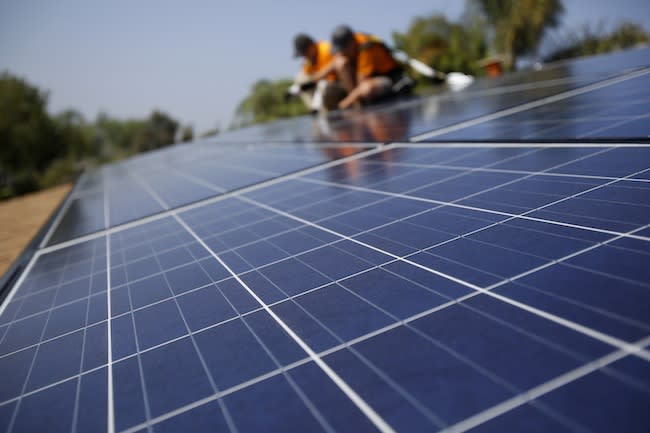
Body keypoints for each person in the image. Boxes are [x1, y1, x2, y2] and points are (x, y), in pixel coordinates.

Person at [325, 25, 413, 110]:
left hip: (388, 80)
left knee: (366, 88)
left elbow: (362, 83)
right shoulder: (354, 44)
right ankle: (357, 103)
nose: (342, 53)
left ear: (351, 44)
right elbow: (336, 64)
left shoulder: (366, 47)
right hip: (363, 85)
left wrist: (343, 105)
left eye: (343, 50)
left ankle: (358, 106)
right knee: (340, 63)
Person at [291, 33, 347, 112]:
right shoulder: (308, 62)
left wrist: (321, 76)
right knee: (300, 79)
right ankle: (316, 113)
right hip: (322, 88)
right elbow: (309, 80)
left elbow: (341, 63)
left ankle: (323, 112)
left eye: (304, 52)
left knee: (323, 86)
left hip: (340, 84)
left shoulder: (326, 49)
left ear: (311, 46)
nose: (304, 56)